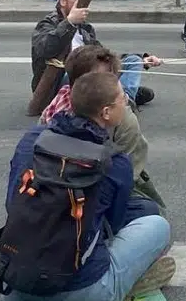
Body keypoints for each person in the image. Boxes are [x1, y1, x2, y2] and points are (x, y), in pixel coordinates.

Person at [0, 71, 175, 301]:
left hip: (17, 294)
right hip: (81, 299)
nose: (126, 101)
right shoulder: (114, 161)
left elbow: (12, 203)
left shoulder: (31, 139)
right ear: (106, 112)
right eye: (122, 98)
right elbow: (110, 228)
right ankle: (123, 284)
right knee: (156, 224)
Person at [37, 44, 165, 206]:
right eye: (106, 80)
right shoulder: (122, 120)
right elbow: (121, 179)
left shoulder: (59, 102)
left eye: (114, 78)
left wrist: (141, 58)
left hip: (57, 194)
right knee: (153, 216)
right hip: (82, 197)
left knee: (133, 61)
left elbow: (97, 53)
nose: (113, 83)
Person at [31, 0, 99, 94]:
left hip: (88, 76)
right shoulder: (47, 24)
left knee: (132, 60)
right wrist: (70, 22)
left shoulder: (86, 28)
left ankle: (126, 97)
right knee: (79, 75)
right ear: (63, 1)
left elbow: (101, 53)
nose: (82, 2)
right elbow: (45, 49)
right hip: (56, 81)